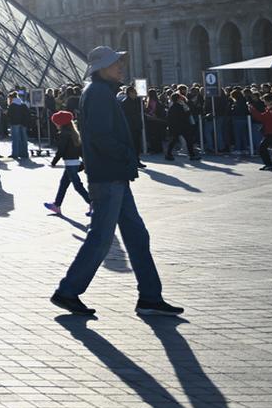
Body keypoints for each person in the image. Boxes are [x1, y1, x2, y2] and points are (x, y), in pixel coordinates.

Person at [52, 46, 183, 318]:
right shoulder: (98, 94)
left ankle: (150, 297)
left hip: (115, 176)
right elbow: (101, 137)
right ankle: (68, 291)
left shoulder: (100, 92)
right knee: (101, 237)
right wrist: (126, 156)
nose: (120, 66)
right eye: (115, 63)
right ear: (101, 68)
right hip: (109, 176)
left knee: (137, 236)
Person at [44, 111, 91, 216]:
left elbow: (61, 150)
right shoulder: (74, 133)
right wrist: (84, 162)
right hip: (74, 162)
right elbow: (80, 150)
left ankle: (92, 203)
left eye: (56, 123)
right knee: (64, 184)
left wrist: (54, 162)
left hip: (69, 163)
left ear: (61, 123)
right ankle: (57, 204)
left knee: (77, 185)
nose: (55, 125)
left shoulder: (63, 135)